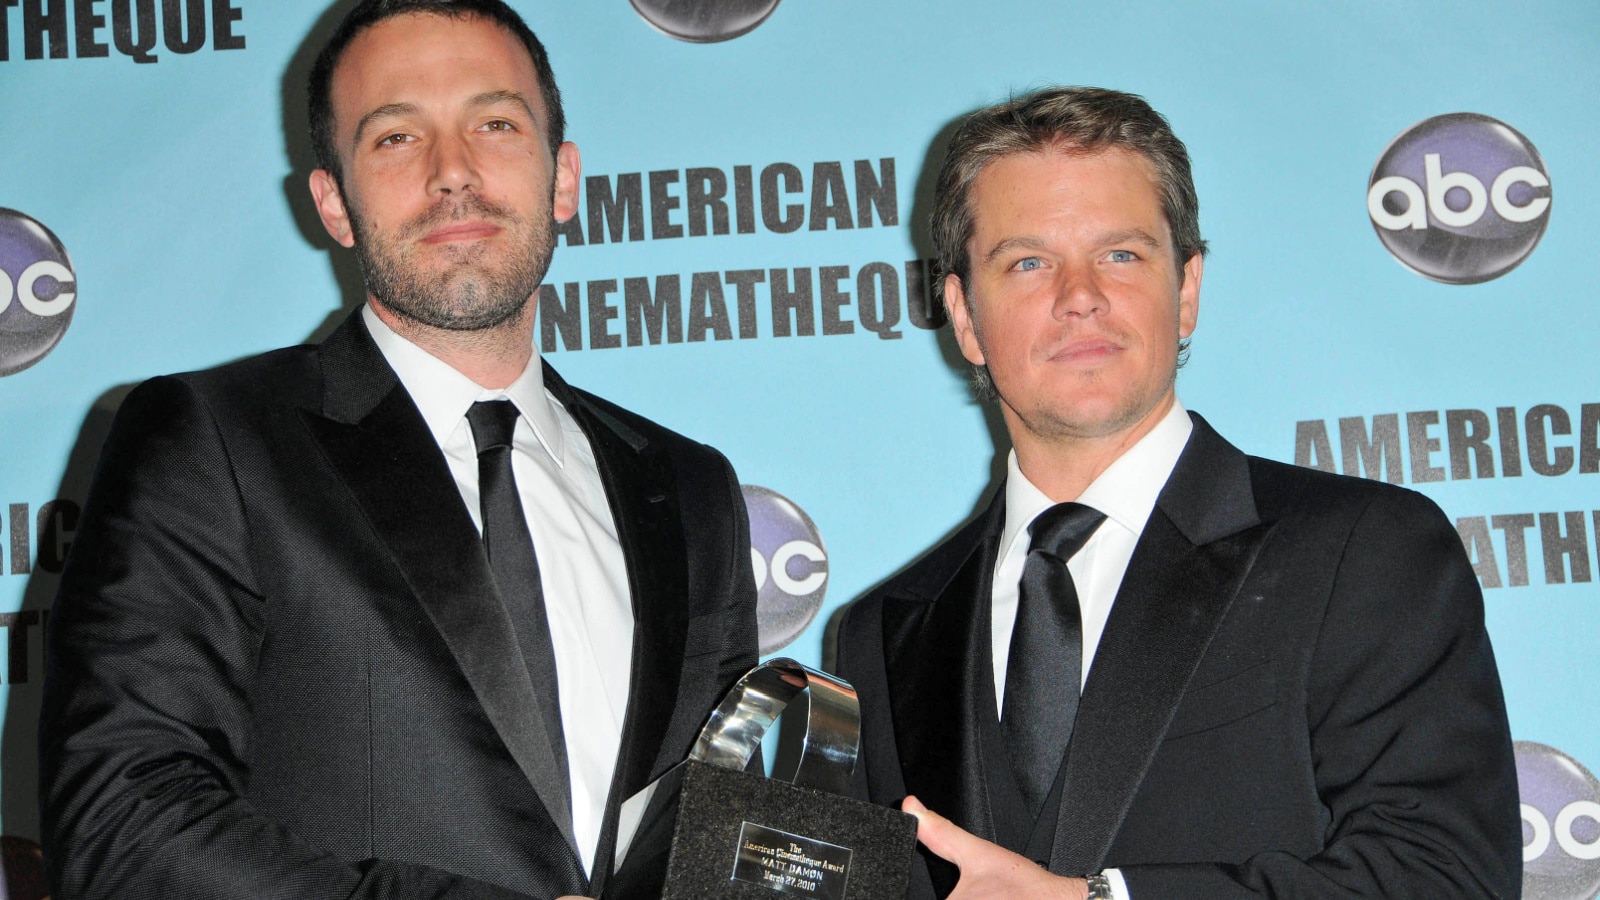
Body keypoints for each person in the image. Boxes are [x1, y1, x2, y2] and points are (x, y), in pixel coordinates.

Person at [38, 2, 757, 898]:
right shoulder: (214, 442)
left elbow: (731, 840)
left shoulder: (689, 489)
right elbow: (123, 822)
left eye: (494, 124)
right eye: (394, 139)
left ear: (562, 178)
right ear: (334, 204)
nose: (453, 172)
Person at [835, 87, 1521, 899]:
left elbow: (1444, 879)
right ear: (966, 317)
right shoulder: (882, 634)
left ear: (1187, 289)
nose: (1078, 294)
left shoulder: (1362, 552)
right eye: (1028, 262)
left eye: (1121, 254)